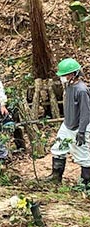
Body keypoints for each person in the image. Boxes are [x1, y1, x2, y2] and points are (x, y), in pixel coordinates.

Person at [46, 58, 90, 189]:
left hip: (79, 127)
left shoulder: (81, 90)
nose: (63, 78)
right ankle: (56, 177)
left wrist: (81, 131)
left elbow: (86, 113)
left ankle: (86, 182)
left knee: (83, 156)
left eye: (65, 75)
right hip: (67, 124)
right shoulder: (69, 86)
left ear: (74, 74)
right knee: (58, 149)